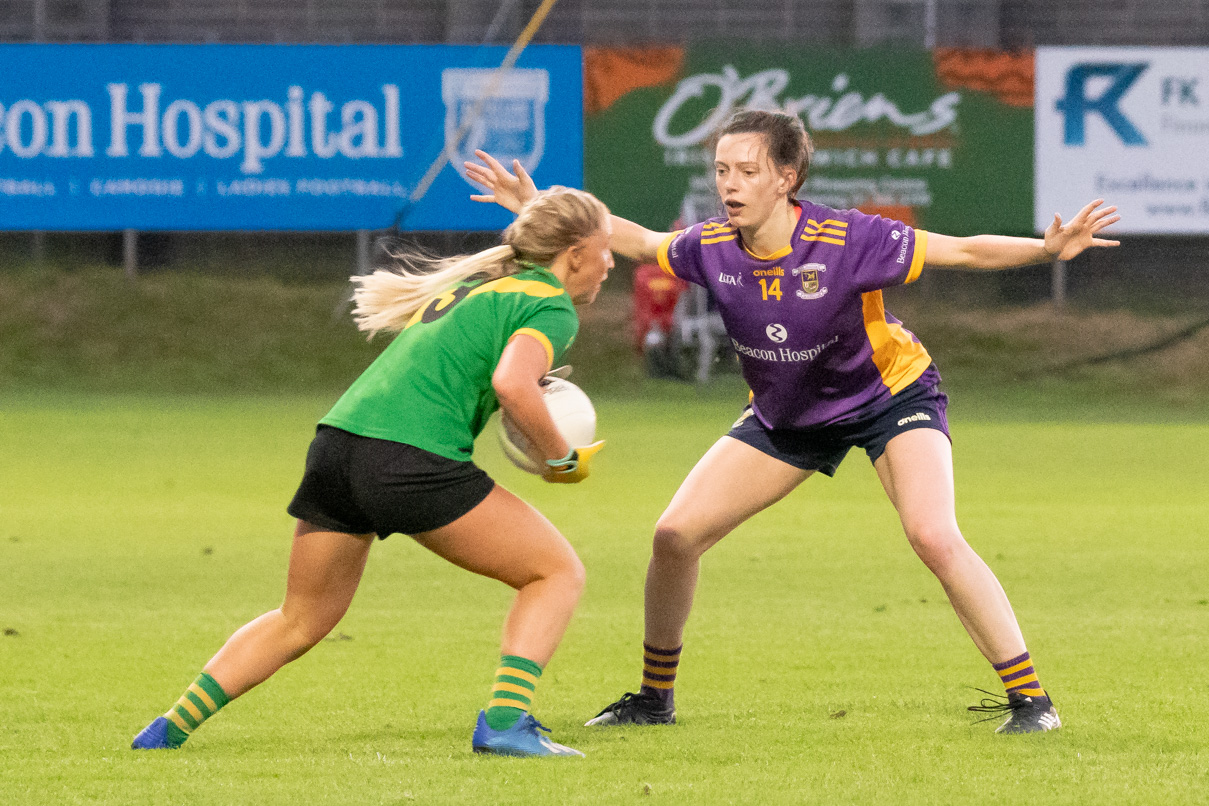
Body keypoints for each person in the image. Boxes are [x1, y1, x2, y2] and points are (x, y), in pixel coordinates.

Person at [464, 110, 1119, 735]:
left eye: (746, 170)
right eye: (721, 170)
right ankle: (653, 697)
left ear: (786, 177)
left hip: (887, 395)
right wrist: (534, 204)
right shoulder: (712, 247)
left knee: (931, 533)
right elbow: (631, 240)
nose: (728, 184)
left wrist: (1045, 249)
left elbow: (963, 253)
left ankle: (1031, 699)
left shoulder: (848, 239)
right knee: (673, 536)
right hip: (788, 415)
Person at [130, 186, 613, 757]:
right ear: (576, 253)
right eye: (606, 250)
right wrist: (561, 460)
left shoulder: (482, 284)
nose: (611, 265)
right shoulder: (548, 304)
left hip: (338, 446)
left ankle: (167, 730)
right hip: (408, 457)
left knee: (301, 618)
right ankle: (506, 723)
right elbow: (513, 384)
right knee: (555, 573)